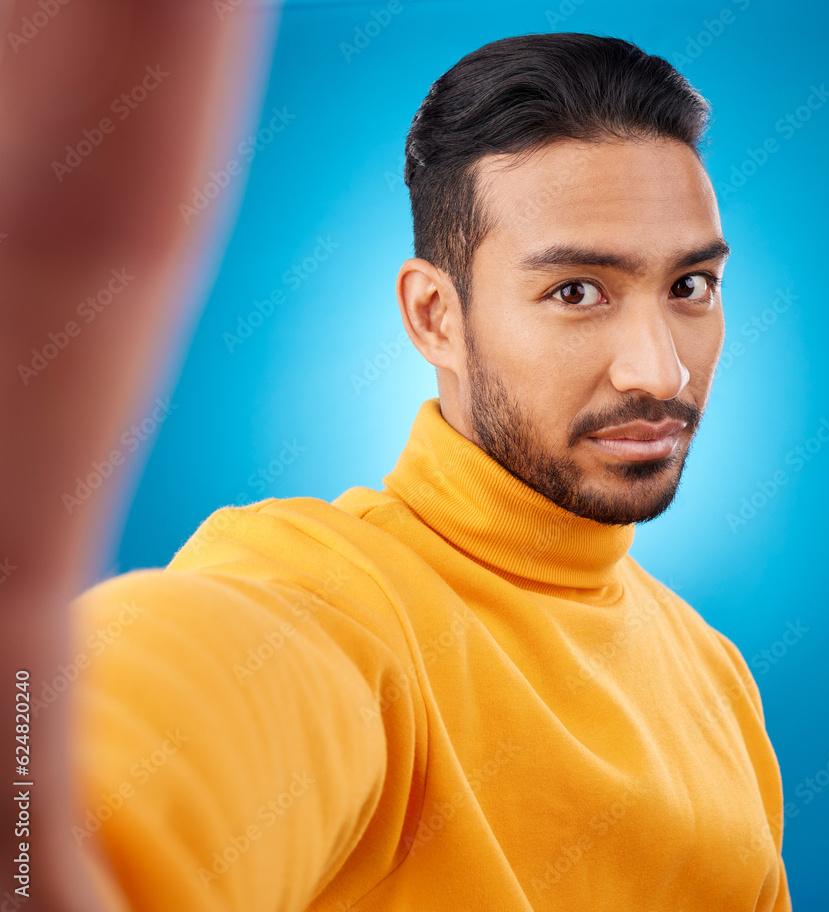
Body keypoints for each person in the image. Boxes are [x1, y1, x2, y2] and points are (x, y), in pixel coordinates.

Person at [53, 31, 789, 912]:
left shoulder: (718, 678)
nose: (659, 373)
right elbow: (135, 732)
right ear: (436, 316)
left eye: (690, 287)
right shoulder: (331, 598)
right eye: (576, 291)